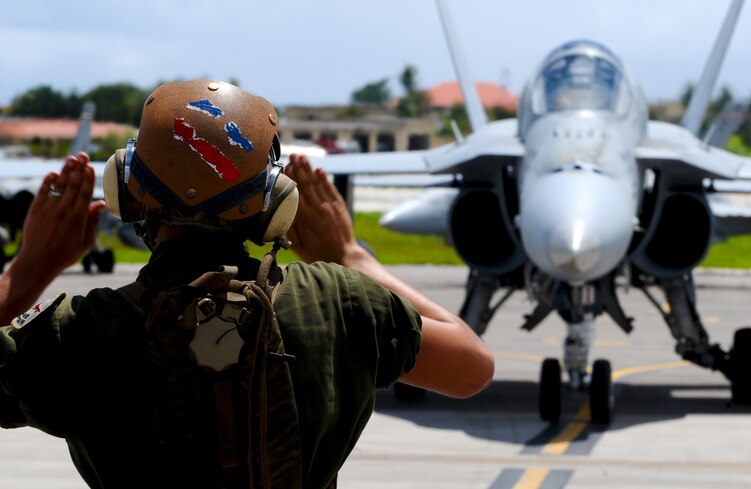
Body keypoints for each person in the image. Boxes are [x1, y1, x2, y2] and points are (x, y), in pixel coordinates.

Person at [0, 79, 493, 489]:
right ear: (274, 201)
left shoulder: (78, 334)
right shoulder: (340, 303)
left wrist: (27, 271)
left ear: (127, 192)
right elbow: (472, 368)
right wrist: (351, 255)